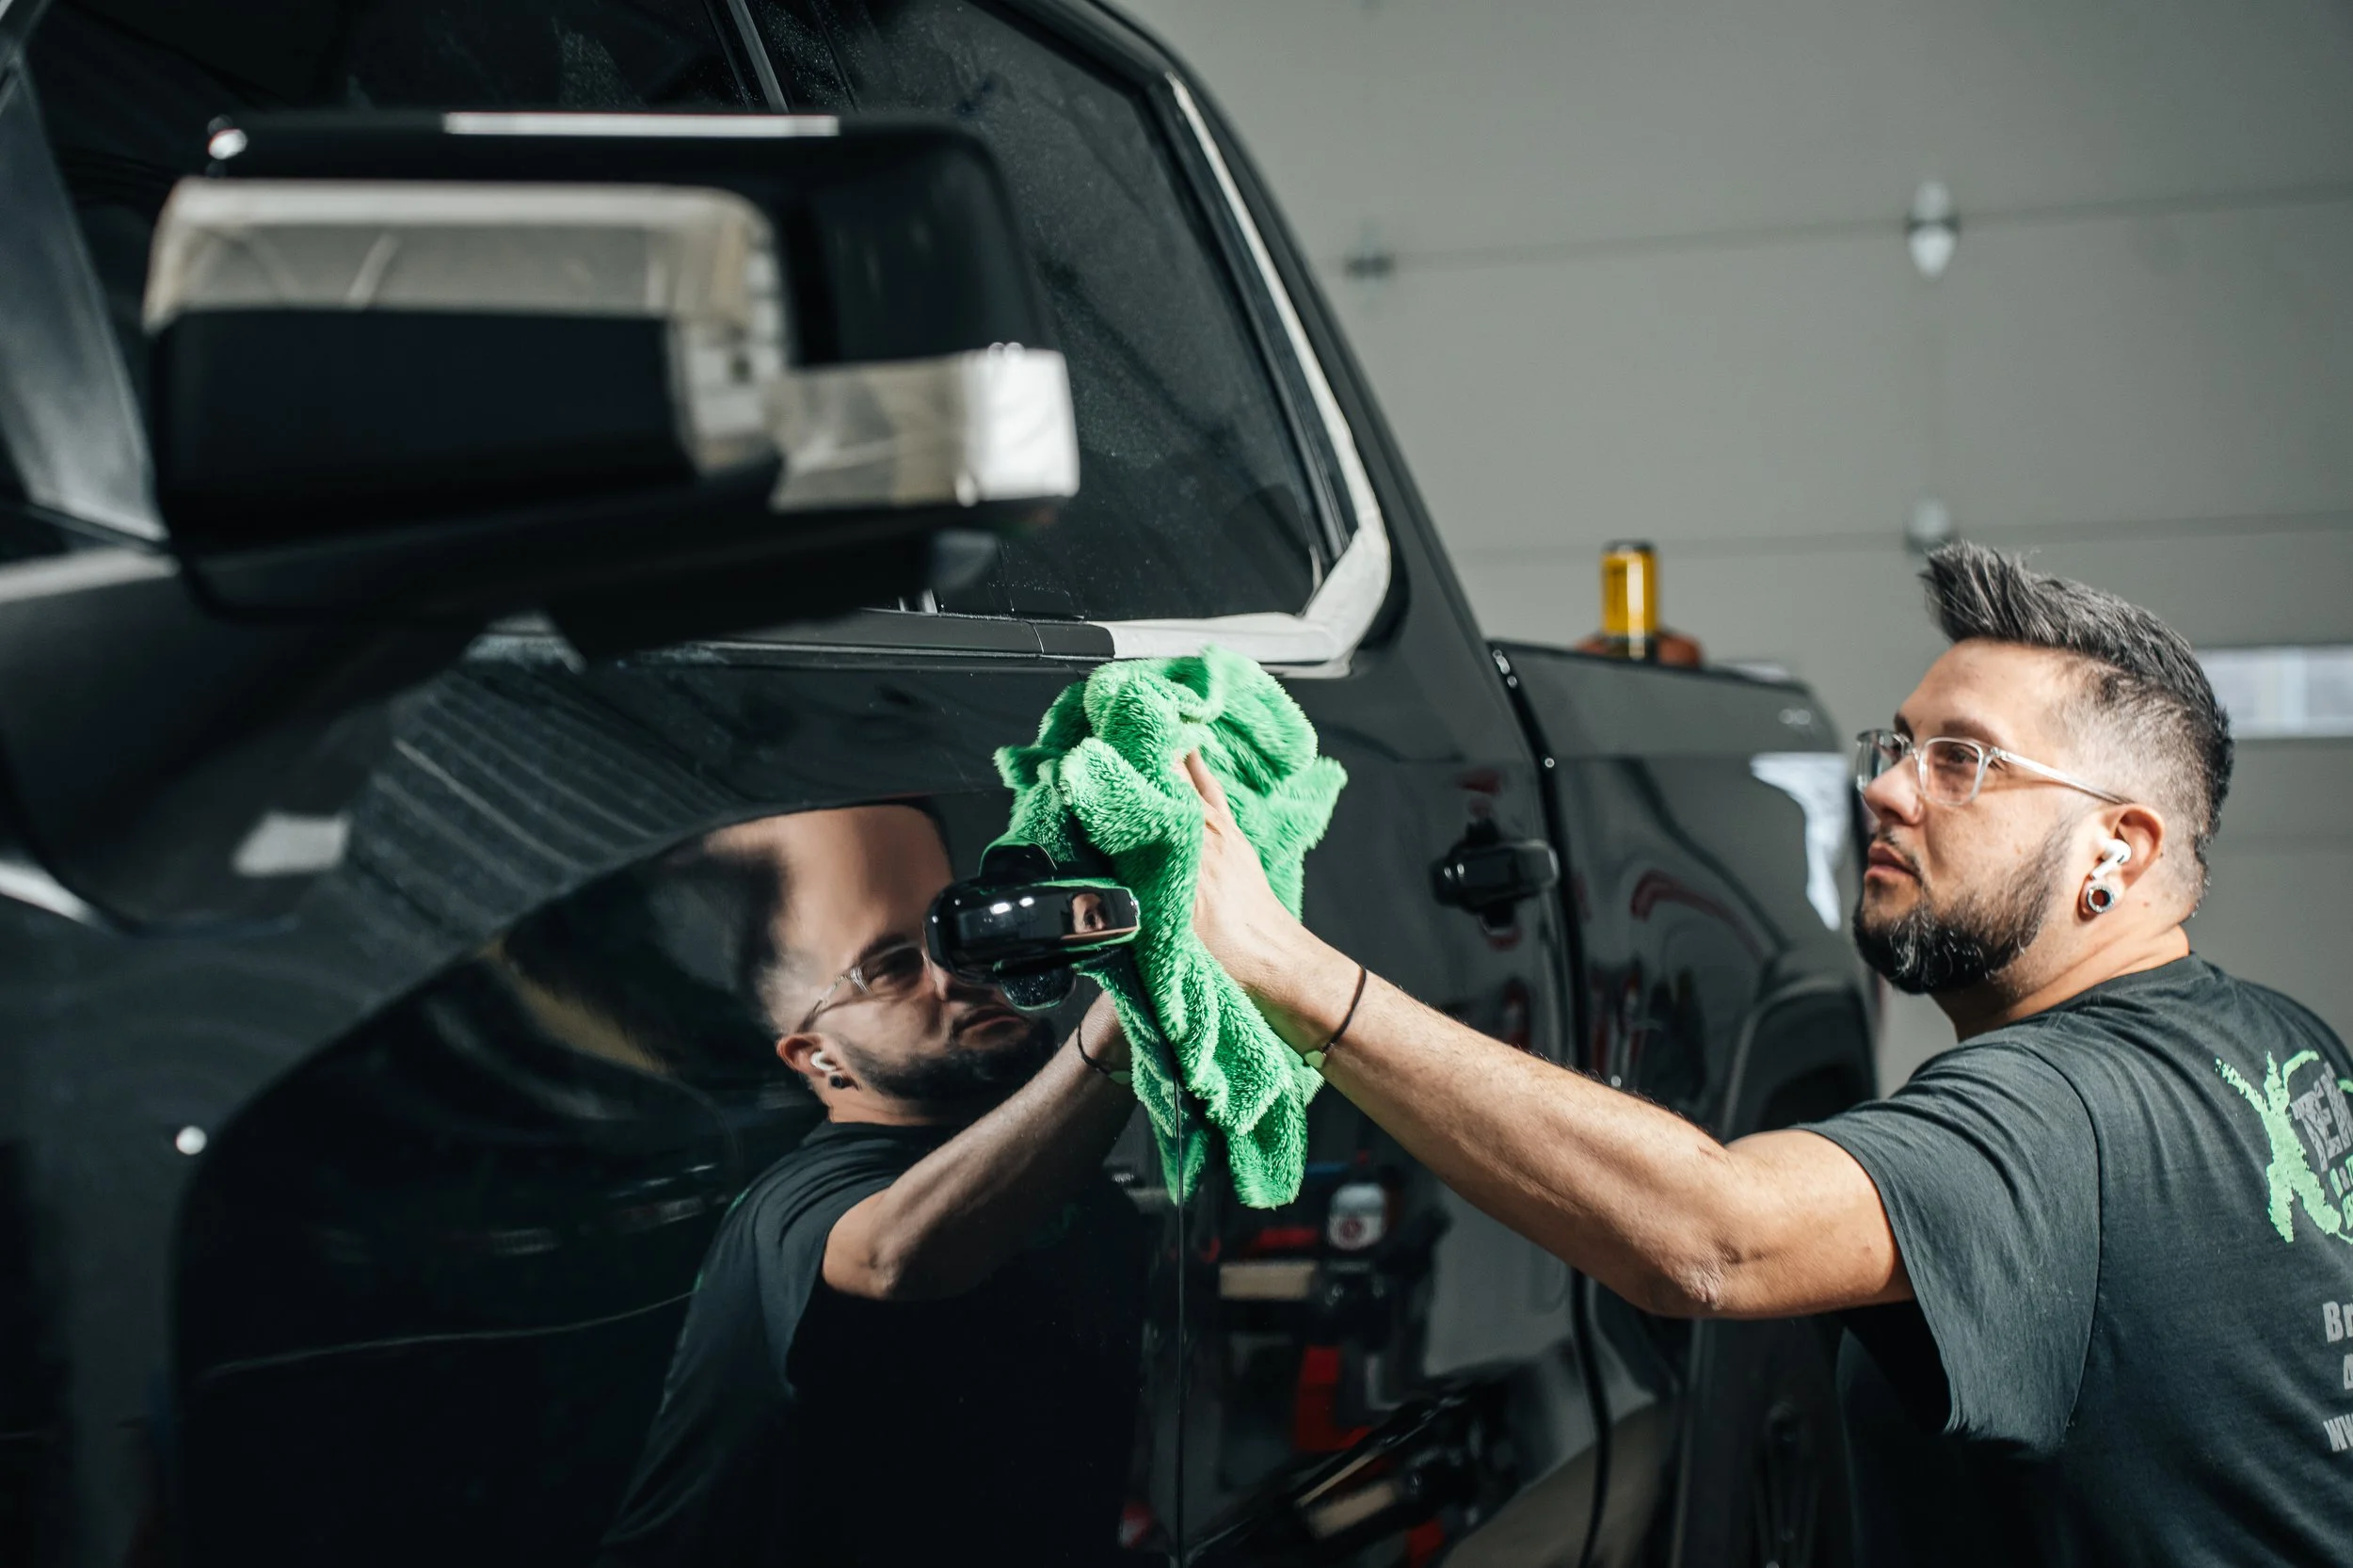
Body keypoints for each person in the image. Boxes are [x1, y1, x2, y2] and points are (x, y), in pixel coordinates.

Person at [1181, 542, 2353, 1565]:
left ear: (2117, 848)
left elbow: (1711, 1237)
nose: (1886, 787)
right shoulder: (2283, 1045)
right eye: (1897, 744)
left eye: (1964, 760)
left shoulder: (2055, 1114)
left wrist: (1287, 969)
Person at [599, 805, 1149, 1567]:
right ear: (820, 1060)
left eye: (954, 932)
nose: (961, 973)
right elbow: (896, 1255)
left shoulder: (1076, 1192)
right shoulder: (799, 1198)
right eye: (892, 967)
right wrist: (1129, 1022)